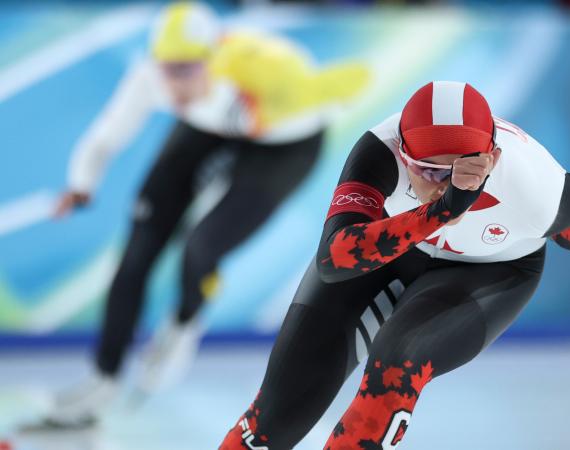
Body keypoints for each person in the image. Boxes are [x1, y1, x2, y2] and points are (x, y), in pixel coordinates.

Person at [218, 80, 570, 449]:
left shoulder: (538, 189)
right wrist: (443, 211)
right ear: (402, 153)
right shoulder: (378, 152)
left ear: (493, 159)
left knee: (398, 363)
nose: (444, 185)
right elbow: (334, 260)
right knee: (277, 413)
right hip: (392, 250)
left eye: (463, 172)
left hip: (490, 270)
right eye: (429, 170)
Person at [40, 1, 369, 428]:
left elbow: (356, 78)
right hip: (207, 125)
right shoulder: (152, 78)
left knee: (202, 245)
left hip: (284, 143)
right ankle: (104, 377)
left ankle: (184, 322)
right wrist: (81, 184)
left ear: (212, 61)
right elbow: (106, 135)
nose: (174, 82)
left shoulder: (270, 77)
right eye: (167, 69)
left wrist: (307, 100)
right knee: (139, 247)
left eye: (186, 70)